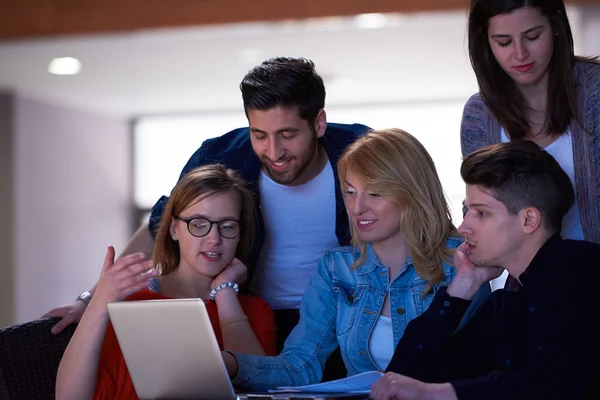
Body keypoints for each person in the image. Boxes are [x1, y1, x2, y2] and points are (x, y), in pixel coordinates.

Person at [44, 58, 369, 351]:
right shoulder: (220, 155)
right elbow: (160, 227)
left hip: (346, 319)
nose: (274, 151)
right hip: (253, 316)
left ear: (319, 123)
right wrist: (88, 301)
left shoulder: (364, 153)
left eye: (287, 134)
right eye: (259, 135)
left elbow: (411, 225)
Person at [220, 129, 491, 390]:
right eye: (350, 192)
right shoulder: (336, 269)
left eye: (374, 193)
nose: (357, 207)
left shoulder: (461, 261)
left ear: (411, 193)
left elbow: (476, 368)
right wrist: (229, 364)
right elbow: (300, 365)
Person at [372, 140, 600, 400]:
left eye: (481, 213)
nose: (462, 227)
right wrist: (462, 286)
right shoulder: (503, 306)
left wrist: (443, 392)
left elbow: (572, 381)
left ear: (529, 220)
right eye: (468, 211)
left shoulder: (583, 267)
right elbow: (404, 378)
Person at [55, 165, 276, 400]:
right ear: (174, 229)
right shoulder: (127, 301)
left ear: (240, 233)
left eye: (228, 226)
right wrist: (99, 302)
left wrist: (225, 293)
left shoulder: (255, 312)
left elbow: (256, 392)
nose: (214, 239)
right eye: (199, 224)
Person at [460, 0, 600, 244]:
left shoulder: (594, 93)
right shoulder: (478, 115)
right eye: (503, 42)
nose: (520, 54)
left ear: (555, 24)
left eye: (533, 36)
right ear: (485, 41)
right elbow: (479, 208)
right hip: (526, 281)